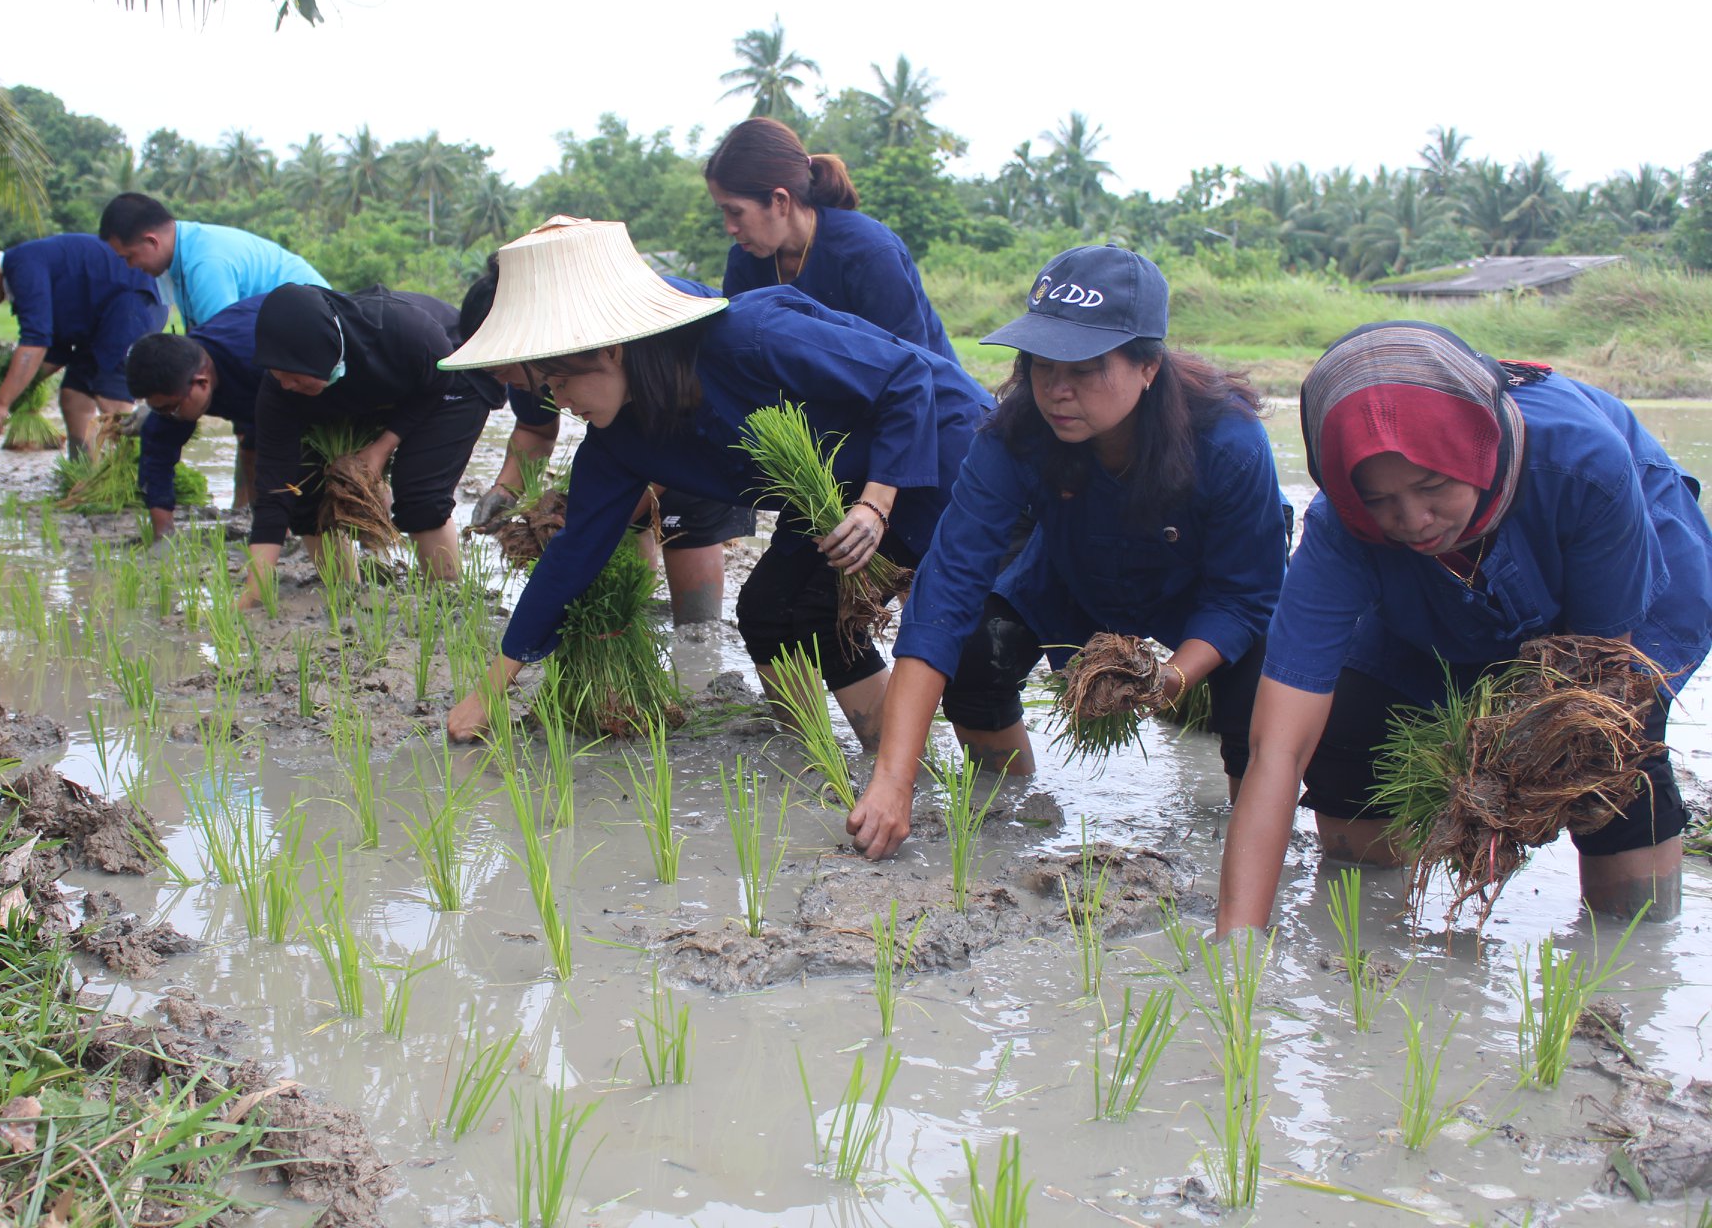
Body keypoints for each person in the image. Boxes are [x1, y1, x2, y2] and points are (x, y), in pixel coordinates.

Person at [1216, 321, 1712, 934]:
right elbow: (1278, 748)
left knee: (1612, 751)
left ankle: (1636, 940)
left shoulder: (1583, 464)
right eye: (1380, 500)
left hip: (1609, 584)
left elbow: (1592, 686)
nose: (1413, 520)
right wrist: (1236, 943)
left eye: (1432, 486)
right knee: (1346, 731)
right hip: (1428, 597)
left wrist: (1503, 795)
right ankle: (1370, 921)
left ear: (1477, 452)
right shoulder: (1343, 528)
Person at [438, 216, 993, 747]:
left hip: (931, 452)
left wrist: (875, 505)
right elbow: (573, 557)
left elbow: (907, 378)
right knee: (769, 611)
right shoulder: (617, 440)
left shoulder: (751, 336)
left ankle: (902, 767)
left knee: (863, 626)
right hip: (834, 485)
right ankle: (815, 755)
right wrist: (489, 693)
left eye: (560, 382)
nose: (559, 402)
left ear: (609, 349)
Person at [848, 246, 1289, 859]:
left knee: (1260, 691)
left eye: (1083, 368)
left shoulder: (1229, 442)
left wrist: (1171, 678)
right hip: (1075, 564)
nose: (1056, 390)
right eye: (1041, 364)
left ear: (1148, 366)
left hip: (1199, 582)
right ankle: (1005, 815)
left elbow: (1245, 595)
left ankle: (1243, 845)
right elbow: (946, 588)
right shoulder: (1016, 434)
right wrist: (894, 780)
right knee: (977, 653)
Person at [460, 257, 754, 624]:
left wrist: (591, 519)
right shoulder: (530, 372)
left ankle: (698, 635)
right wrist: (506, 490)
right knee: (617, 535)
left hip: (698, 427)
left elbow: (666, 453)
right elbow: (535, 430)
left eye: (500, 368)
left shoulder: (624, 339)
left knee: (684, 524)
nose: (502, 381)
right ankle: (633, 620)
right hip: (630, 438)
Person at [241, 283, 503, 601]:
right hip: (376, 392)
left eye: (294, 377)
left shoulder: (402, 331)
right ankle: (344, 593)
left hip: (451, 370)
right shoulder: (280, 392)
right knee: (305, 489)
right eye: (277, 374)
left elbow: (438, 381)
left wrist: (381, 449)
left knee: (420, 493)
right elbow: (275, 489)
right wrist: (254, 592)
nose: (286, 385)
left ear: (323, 354)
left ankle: (447, 598)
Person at [706, 116, 956, 362]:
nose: (730, 227)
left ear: (780, 200)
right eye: (723, 212)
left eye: (736, 212)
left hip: (923, 385)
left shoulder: (868, 253)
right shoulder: (744, 261)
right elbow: (739, 356)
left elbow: (912, 369)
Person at [0, 233, 166, 456]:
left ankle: (137, 467)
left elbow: (35, 344)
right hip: (99, 323)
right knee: (73, 396)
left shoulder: (22, 266)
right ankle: (82, 471)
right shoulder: (22, 272)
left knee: (110, 394)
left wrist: (1, 405)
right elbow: (56, 350)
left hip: (132, 304)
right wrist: (13, 385)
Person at [123, 294, 265, 541]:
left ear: (202, 383)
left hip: (311, 356)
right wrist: (163, 536)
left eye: (171, 408)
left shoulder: (258, 362)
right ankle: (266, 525)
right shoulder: (176, 379)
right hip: (249, 383)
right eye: (158, 409)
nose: (169, 416)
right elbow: (156, 462)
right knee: (251, 447)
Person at [98, 192, 327, 331]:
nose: (130, 266)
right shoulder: (184, 252)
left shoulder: (206, 264)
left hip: (317, 329)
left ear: (152, 241)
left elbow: (222, 345)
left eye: (129, 257)